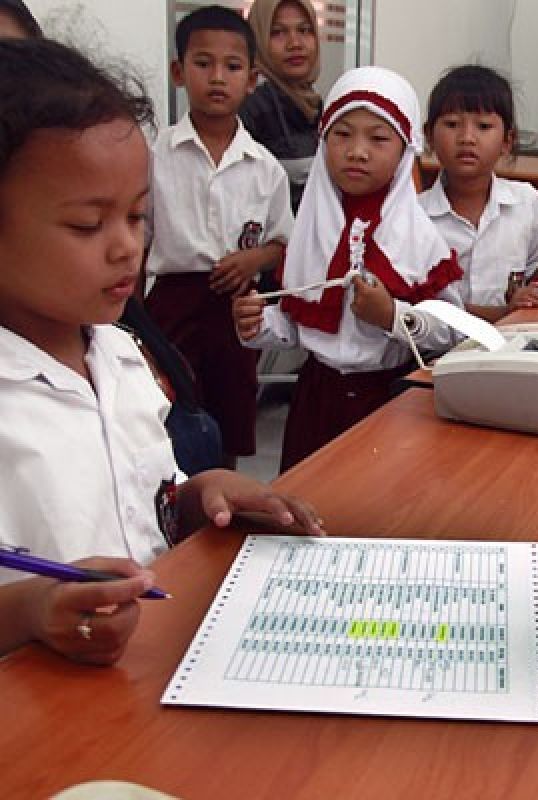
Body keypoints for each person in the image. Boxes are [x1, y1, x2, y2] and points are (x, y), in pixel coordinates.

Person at [0, 38, 322, 665]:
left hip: (149, 673)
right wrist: (33, 608)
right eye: (88, 225)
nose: (126, 248)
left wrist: (201, 495)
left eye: (138, 216)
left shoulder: (121, 355)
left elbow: (149, 502)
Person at [233, 66, 465, 471]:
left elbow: (452, 329)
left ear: (404, 149)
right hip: (315, 397)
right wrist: (257, 324)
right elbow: (295, 326)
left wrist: (393, 316)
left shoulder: (418, 236)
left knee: (373, 510)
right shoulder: (312, 228)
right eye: (342, 135)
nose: (357, 151)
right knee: (309, 505)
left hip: (389, 398)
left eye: (378, 138)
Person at [144, 6, 294, 468]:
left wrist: (253, 263)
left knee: (231, 408)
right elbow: (137, 238)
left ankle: (224, 499)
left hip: (236, 305)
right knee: (169, 408)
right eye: (202, 63)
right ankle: (174, 503)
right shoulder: (155, 156)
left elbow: (281, 240)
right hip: (172, 301)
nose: (217, 77)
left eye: (232, 67)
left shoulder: (265, 167)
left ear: (251, 80)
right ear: (178, 71)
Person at [418, 65, 538, 323]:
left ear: (507, 141)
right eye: (452, 124)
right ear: (429, 137)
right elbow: (426, 305)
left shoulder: (527, 203)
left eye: (484, 126)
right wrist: (501, 314)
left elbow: (536, 268)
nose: (467, 138)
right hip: (437, 354)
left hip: (509, 346)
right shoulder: (416, 217)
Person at [240, 0, 321, 212]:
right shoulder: (251, 105)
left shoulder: (313, 103)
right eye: (277, 33)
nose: (295, 43)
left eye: (304, 30)